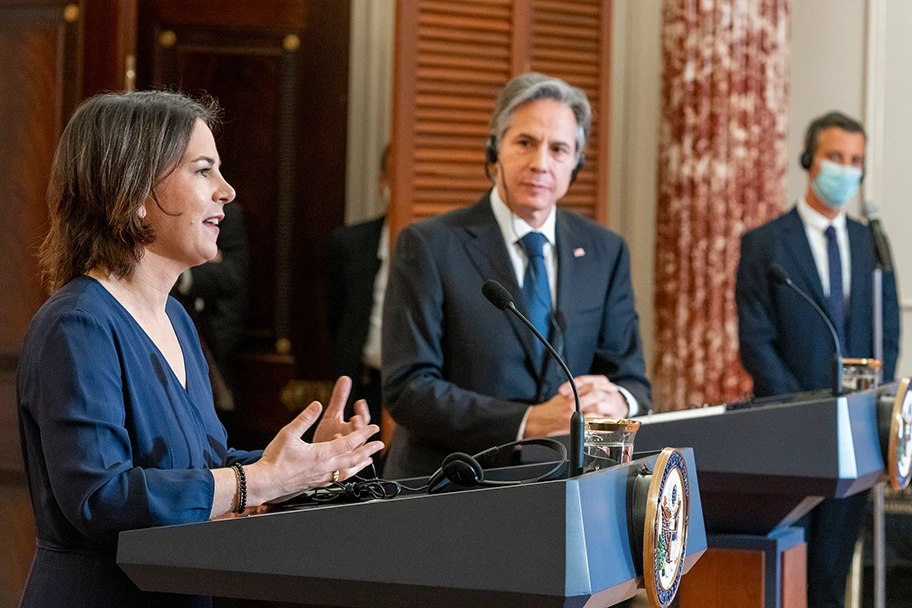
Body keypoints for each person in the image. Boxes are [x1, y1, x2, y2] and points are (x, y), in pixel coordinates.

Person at [16, 90, 383, 608]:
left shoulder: (178, 320)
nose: (227, 192)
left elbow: (201, 465)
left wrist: (310, 464)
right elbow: (101, 498)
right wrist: (260, 479)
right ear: (134, 190)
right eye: (203, 170)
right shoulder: (78, 324)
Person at [381, 73, 651, 479]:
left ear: (576, 163)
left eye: (559, 149)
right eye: (525, 143)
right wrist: (527, 421)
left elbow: (633, 381)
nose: (540, 163)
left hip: (563, 486)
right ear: (495, 151)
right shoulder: (430, 245)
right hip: (451, 484)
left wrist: (618, 401)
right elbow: (408, 388)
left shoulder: (605, 251)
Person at [736, 111, 900, 608]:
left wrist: (870, 403)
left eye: (855, 161)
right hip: (789, 433)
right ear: (809, 160)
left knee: (831, 575)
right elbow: (756, 341)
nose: (845, 170)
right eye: (835, 157)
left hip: (856, 438)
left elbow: (887, 333)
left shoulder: (869, 241)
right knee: (787, 574)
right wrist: (805, 410)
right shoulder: (764, 244)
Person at [327, 145, 390, 441]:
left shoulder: (441, 250)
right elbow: (335, 315)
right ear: (382, 180)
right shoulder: (349, 243)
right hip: (364, 386)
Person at [172, 199, 248, 411]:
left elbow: (232, 274)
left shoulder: (227, 212)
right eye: (204, 169)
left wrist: (183, 273)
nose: (228, 192)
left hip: (210, 344)